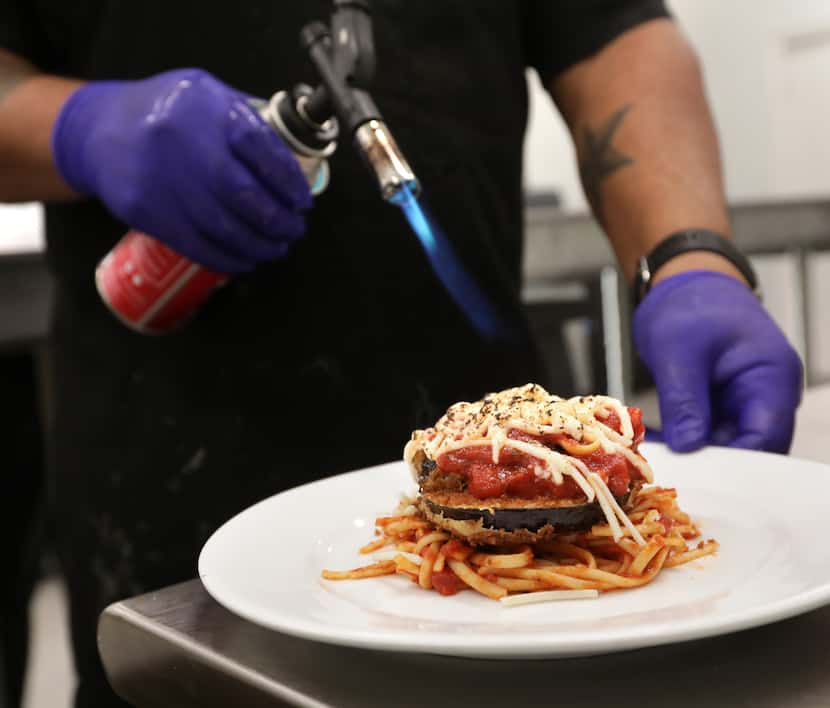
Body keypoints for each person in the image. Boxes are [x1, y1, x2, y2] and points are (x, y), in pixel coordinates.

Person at [0, 1, 801, 706]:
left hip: (509, 450)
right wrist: (78, 127)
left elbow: (612, 33)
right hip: (158, 471)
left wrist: (691, 257)